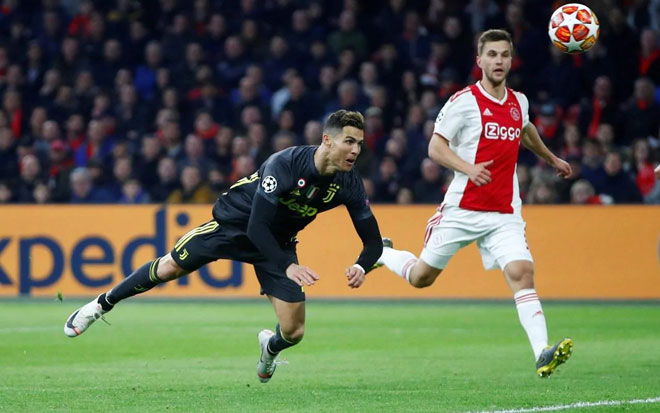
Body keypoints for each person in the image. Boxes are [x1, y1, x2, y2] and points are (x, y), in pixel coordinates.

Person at [63, 110, 383, 383]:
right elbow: (257, 226)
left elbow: (372, 242)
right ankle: (99, 305)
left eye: (359, 144)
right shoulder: (285, 164)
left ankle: (269, 349)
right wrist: (287, 266)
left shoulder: (349, 183)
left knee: (294, 332)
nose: (355, 150)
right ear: (327, 140)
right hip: (234, 225)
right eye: (349, 141)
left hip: (278, 243)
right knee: (169, 267)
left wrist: (361, 265)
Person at [374, 29, 574, 378]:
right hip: (462, 210)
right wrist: (468, 168)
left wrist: (552, 158)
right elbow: (435, 147)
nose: (499, 61)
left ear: (511, 61)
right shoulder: (463, 102)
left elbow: (525, 130)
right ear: (479, 60)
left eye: (505, 55)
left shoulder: (519, 102)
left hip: (504, 212)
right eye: (492, 55)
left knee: (522, 273)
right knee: (421, 277)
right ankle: (383, 253)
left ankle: (542, 353)